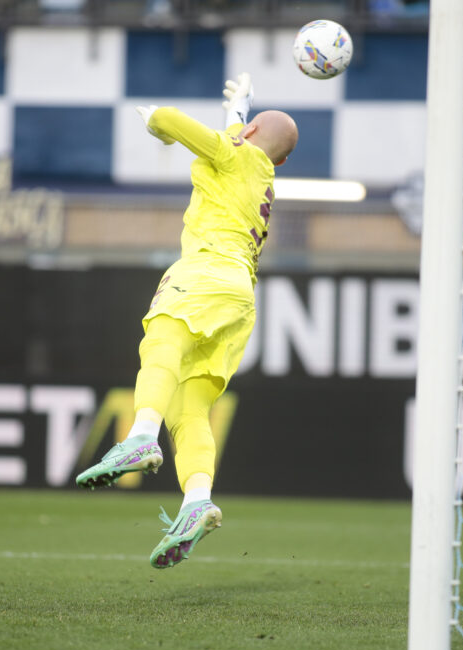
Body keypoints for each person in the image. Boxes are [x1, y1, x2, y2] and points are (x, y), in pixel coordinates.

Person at [74, 73, 298, 569]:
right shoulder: (258, 173)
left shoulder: (233, 155)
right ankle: (198, 501)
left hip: (206, 271)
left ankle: (138, 439)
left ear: (254, 138)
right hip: (239, 297)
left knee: (162, 342)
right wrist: (240, 112)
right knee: (190, 408)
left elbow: (174, 122)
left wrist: (153, 118)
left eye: (248, 126)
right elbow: (239, 141)